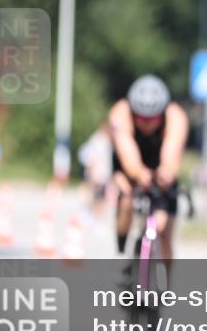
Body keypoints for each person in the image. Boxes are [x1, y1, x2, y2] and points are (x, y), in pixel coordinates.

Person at [108, 75, 189, 270]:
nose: (146, 123)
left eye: (151, 119)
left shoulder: (175, 116)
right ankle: (122, 249)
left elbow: (171, 154)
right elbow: (128, 155)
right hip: (129, 164)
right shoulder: (121, 112)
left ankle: (165, 286)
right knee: (126, 199)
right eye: (141, 118)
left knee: (164, 230)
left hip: (159, 163)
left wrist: (166, 173)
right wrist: (138, 173)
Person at [78, 124, 113, 210]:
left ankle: (95, 215)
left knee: (100, 196)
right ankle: (93, 215)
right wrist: (92, 173)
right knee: (96, 196)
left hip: (102, 174)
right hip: (98, 174)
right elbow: (92, 158)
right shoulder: (98, 140)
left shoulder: (104, 140)